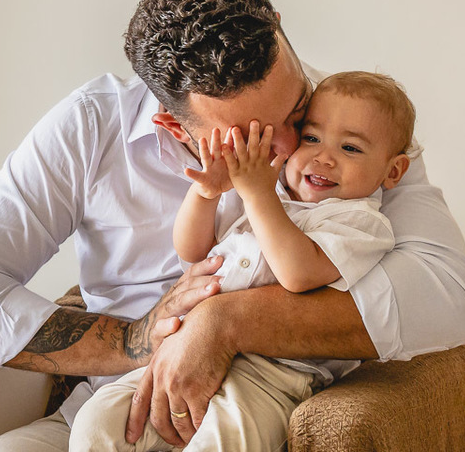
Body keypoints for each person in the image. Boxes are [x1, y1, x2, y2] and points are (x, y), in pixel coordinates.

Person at [0, 0, 465, 450]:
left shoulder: (351, 123)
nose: (288, 149)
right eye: (249, 137)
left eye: (295, 112)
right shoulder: (92, 127)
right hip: (126, 395)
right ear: (172, 125)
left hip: (266, 392)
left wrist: (223, 322)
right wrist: (137, 339)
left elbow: (449, 299)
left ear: (281, 32)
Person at [69, 71, 416, 451]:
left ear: (393, 171)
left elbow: (298, 273)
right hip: (183, 349)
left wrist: (257, 195)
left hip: (271, 376)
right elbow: (192, 251)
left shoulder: (360, 222)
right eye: (311, 138)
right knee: (98, 422)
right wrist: (206, 193)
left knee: (225, 442)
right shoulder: (269, 192)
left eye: (350, 148)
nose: (323, 157)